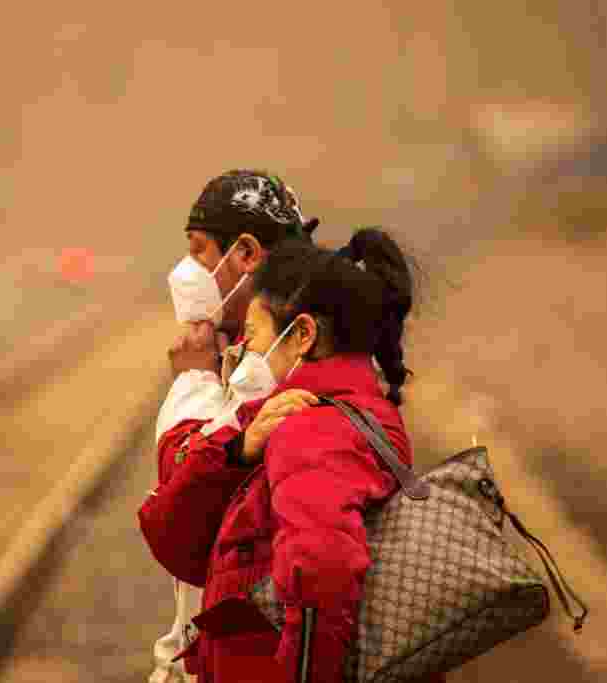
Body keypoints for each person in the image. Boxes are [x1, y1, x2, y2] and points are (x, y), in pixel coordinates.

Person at [140, 230, 445, 682]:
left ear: (301, 334)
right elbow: (176, 530)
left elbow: (320, 567)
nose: (245, 350)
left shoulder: (309, 425)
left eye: (254, 333)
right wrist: (239, 451)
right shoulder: (351, 408)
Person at [151, 169, 319, 683]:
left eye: (200, 250)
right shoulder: (255, 350)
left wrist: (192, 381)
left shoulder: (282, 363)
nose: (187, 269)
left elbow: (184, 500)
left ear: (246, 254)